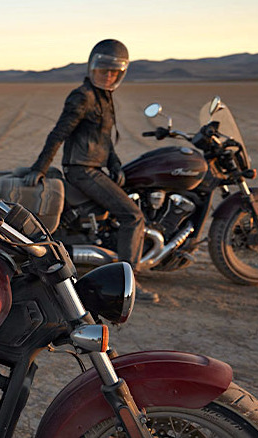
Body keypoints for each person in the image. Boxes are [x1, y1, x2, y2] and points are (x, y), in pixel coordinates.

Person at [23, 39, 158, 303]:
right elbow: (58, 133)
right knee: (132, 215)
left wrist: (115, 164)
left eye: (113, 72)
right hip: (82, 170)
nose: (108, 76)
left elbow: (104, 138)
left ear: (121, 73)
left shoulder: (104, 97)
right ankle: (128, 283)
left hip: (94, 166)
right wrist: (40, 167)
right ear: (92, 68)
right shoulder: (82, 96)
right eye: (102, 70)